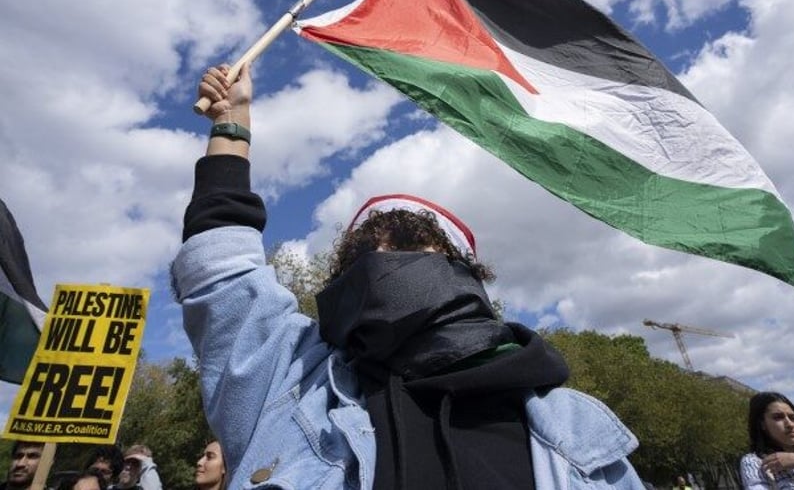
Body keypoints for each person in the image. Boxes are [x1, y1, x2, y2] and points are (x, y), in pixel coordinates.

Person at [171, 63, 644, 489]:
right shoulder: (287, 384)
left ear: (466, 273)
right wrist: (231, 125)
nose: (384, 261)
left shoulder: (577, 432)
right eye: (362, 255)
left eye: (409, 243)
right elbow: (222, 272)